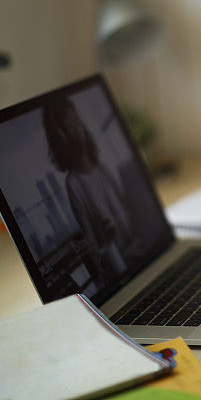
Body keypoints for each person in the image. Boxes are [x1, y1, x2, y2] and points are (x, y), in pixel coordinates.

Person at [42, 96, 139, 283]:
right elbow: (94, 248)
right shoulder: (75, 184)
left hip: (138, 250)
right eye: (70, 125)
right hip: (123, 267)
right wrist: (104, 241)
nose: (78, 128)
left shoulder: (101, 168)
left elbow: (127, 211)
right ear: (60, 138)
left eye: (77, 120)